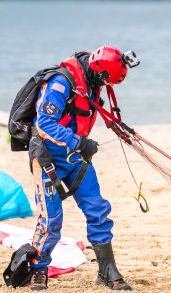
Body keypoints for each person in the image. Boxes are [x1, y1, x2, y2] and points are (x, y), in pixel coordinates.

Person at [27, 46, 137, 291]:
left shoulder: (93, 82)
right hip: (47, 156)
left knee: (97, 209)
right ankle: (37, 269)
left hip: (76, 156)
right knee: (52, 219)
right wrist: (79, 142)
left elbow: (94, 112)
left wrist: (122, 131)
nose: (108, 84)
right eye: (107, 80)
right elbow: (44, 123)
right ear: (98, 71)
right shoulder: (61, 83)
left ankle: (107, 271)